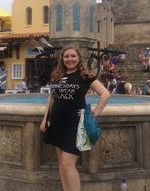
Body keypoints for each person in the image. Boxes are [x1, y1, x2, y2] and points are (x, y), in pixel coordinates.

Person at [40, 46, 110, 191]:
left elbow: (105, 94)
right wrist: (45, 118)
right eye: (67, 56)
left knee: (68, 164)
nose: (70, 59)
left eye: (73, 56)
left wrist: (93, 114)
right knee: (62, 164)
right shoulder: (57, 75)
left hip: (75, 125)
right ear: (62, 59)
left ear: (78, 58)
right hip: (56, 124)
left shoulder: (85, 75)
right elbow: (51, 98)